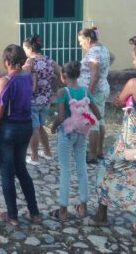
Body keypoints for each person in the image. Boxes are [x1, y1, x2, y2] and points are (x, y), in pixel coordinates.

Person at [93, 37, 136, 239]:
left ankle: (101, 215)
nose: (133, 62)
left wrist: (125, 103)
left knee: (106, 168)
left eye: (135, 58)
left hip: (132, 142)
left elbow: (117, 102)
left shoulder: (135, 83)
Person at [0, 44, 41, 226]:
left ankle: (12, 216)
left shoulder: (6, 81)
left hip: (8, 130)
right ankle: (34, 212)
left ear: (7, 61)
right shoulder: (27, 78)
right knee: (21, 170)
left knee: (7, 172)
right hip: (25, 127)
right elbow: (9, 83)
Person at [49, 61, 101, 221]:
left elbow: (60, 116)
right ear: (78, 75)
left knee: (65, 170)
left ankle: (63, 209)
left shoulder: (62, 92)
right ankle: (83, 206)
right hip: (82, 133)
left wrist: (53, 127)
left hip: (67, 134)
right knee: (82, 168)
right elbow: (98, 113)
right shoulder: (85, 91)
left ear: (64, 76)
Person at [23, 35, 61, 165]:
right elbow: (61, 73)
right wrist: (53, 87)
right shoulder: (49, 60)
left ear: (29, 48)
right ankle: (47, 152)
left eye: (24, 48)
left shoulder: (30, 61)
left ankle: (34, 157)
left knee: (34, 128)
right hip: (46, 100)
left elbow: (22, 75)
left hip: (32, 100)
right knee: (40, 127)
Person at [78, 27, 112, 163]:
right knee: (100, 119)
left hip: (95, 91)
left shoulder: (93, 52)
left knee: (93, 122)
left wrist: (88, 94)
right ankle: (99, 151)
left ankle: (91, 155)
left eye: (81, 41)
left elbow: (95, 74)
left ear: (88, 39)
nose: (80, 44)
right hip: (103, 87)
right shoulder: (103, 49)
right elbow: (111, 59)